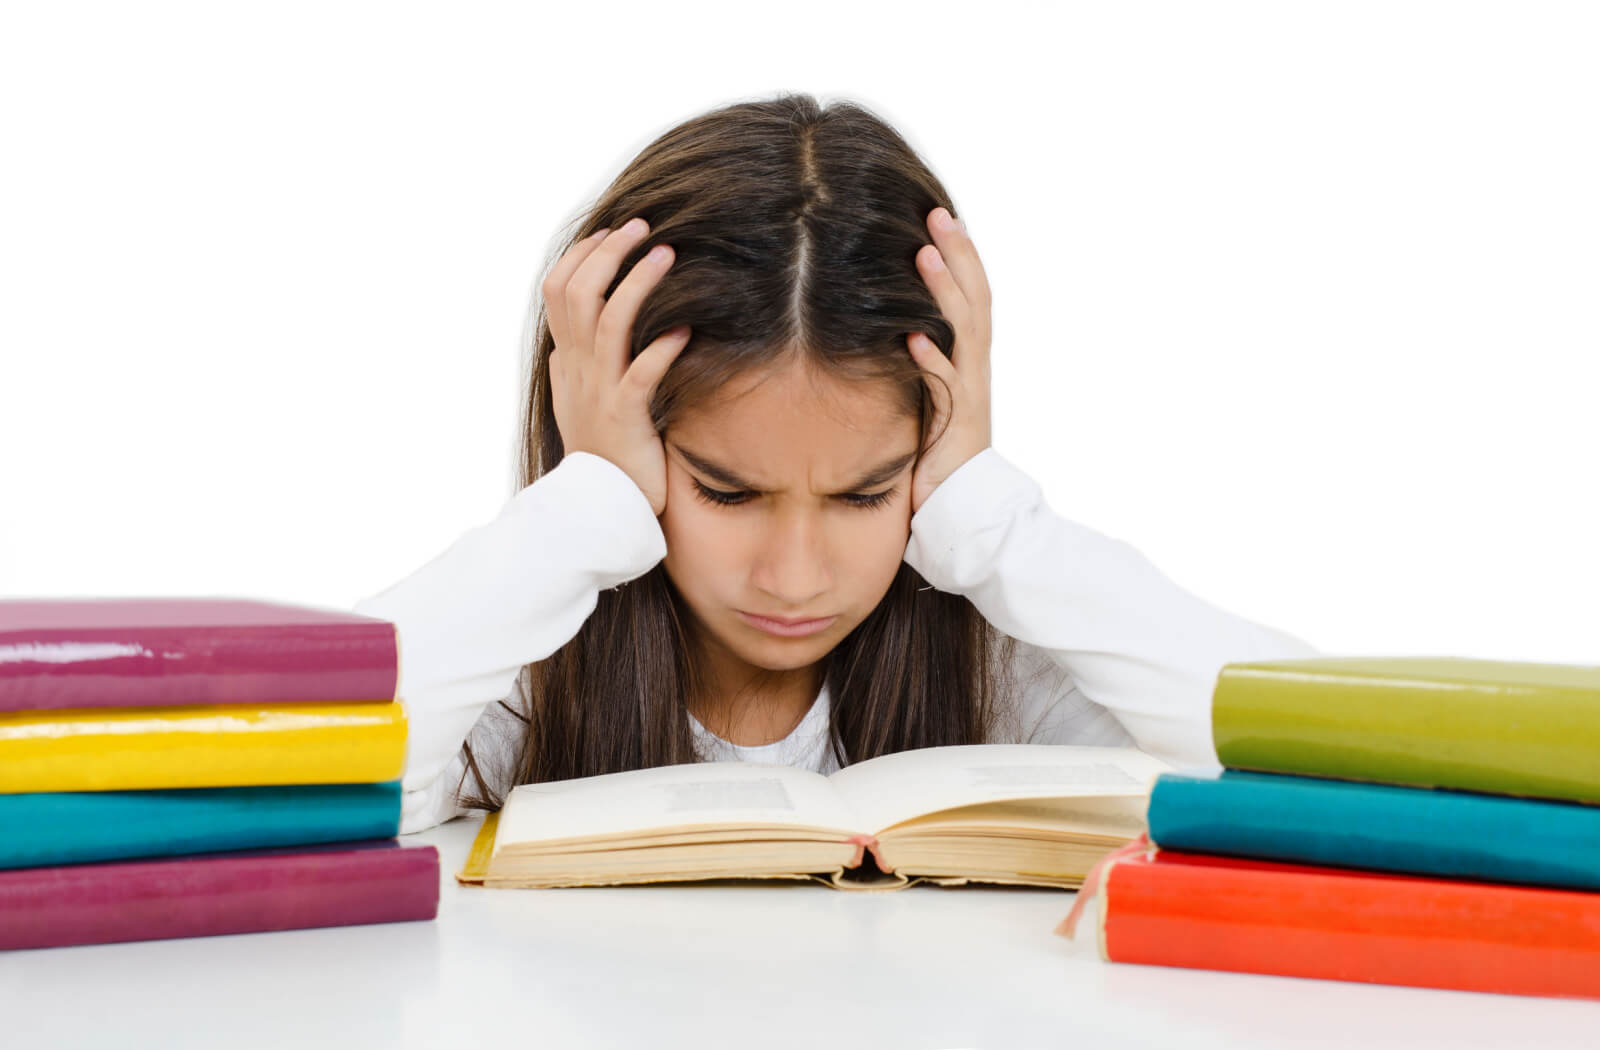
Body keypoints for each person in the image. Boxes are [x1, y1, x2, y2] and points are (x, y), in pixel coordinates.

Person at [352, 93, 1319, 836]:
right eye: (725, 491)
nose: (796, 577)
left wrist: (991, 523)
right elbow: (315, 780)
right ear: (626, 437)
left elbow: (1323, 772)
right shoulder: (524, 674)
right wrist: (583, 510)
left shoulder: (1005, 670)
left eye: (866, 493)